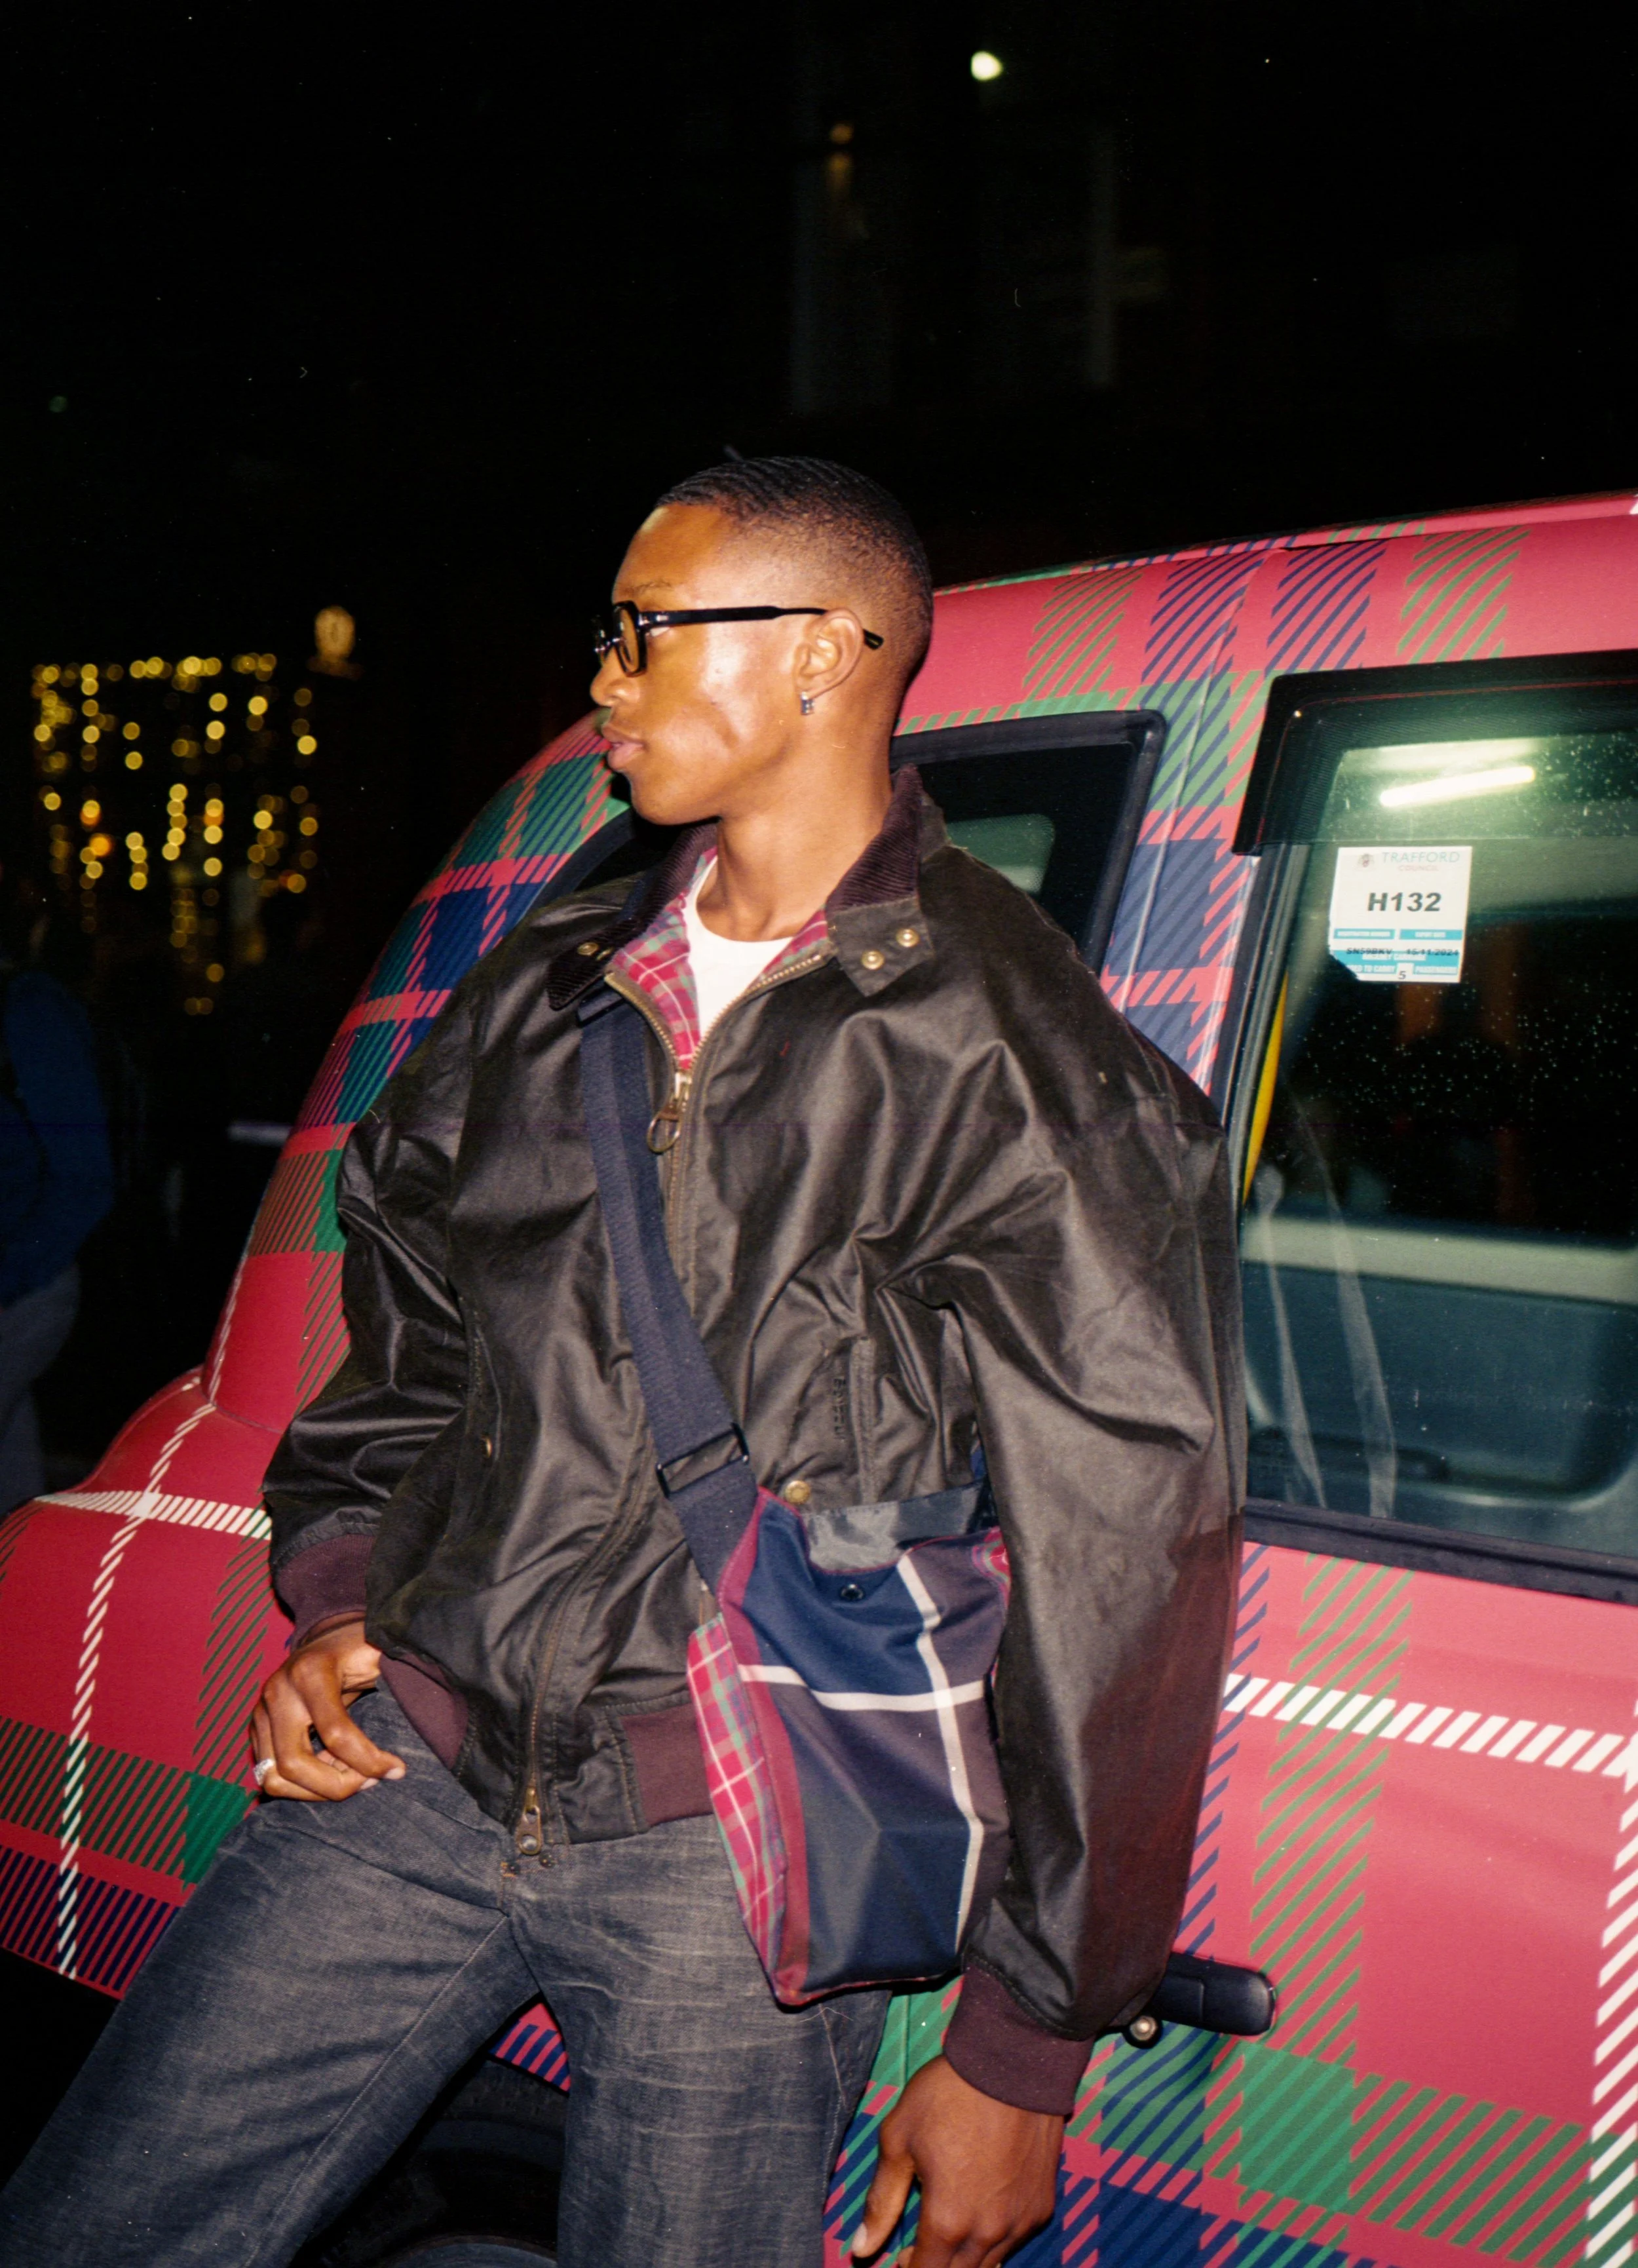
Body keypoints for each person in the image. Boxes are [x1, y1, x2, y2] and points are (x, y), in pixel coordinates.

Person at [0, 459, 1243, 2268]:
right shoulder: (546, 980)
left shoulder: (1015, 1056)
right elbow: (405, 1332)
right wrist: (348, 1592)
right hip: (416, 1768)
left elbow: (1124, 1556)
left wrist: (1023, 2039)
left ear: (821, 654)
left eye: (644, 634)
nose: (601, 680)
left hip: (720, 1850)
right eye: (608, 637)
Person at [0, 866, 114, 1514]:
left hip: (27, 1282)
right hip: (23, 1278)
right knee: (14, 1482)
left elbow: (84, 1173)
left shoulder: (30, 1008)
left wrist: (11, 1278)